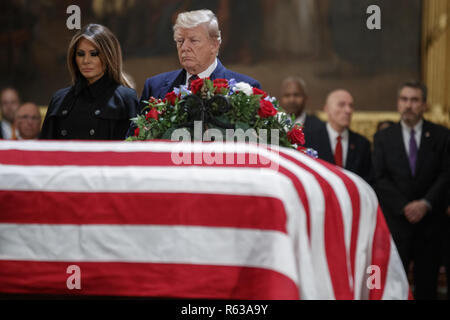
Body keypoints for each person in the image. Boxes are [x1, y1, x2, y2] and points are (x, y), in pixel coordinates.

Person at [373, 81, 450, 300]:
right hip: (397, 226)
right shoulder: (383, 138)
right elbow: (380, 178)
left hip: (430, 227)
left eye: (415, 100)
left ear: (424, 104)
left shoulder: (441, 136)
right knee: (392, 288)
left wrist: (425, 204)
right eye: (404, 100)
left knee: (427, 288)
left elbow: (446, 175)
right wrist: (405, 207)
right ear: (398, 104)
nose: (409, 105)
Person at [40, 24, 138, 140]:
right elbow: (45, 148)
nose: (86, 61)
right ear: (74, 58)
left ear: (109, 56)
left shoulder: (125, 98)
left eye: (94, 54)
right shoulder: (59, 98)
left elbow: (133, 150)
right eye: (80, 54)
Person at [140, 9, 261, 102]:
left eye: (193, 40)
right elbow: (136, 134)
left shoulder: (247, 88)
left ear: (214, 45)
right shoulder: (154, 87)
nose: (184, 47)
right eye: (180, 41)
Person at [304, 89, 373, 183]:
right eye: (341, 105)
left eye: (351, 106)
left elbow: (368, 180)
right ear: (327, 109)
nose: (348, 110)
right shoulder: (309, 140)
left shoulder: (362, 144)